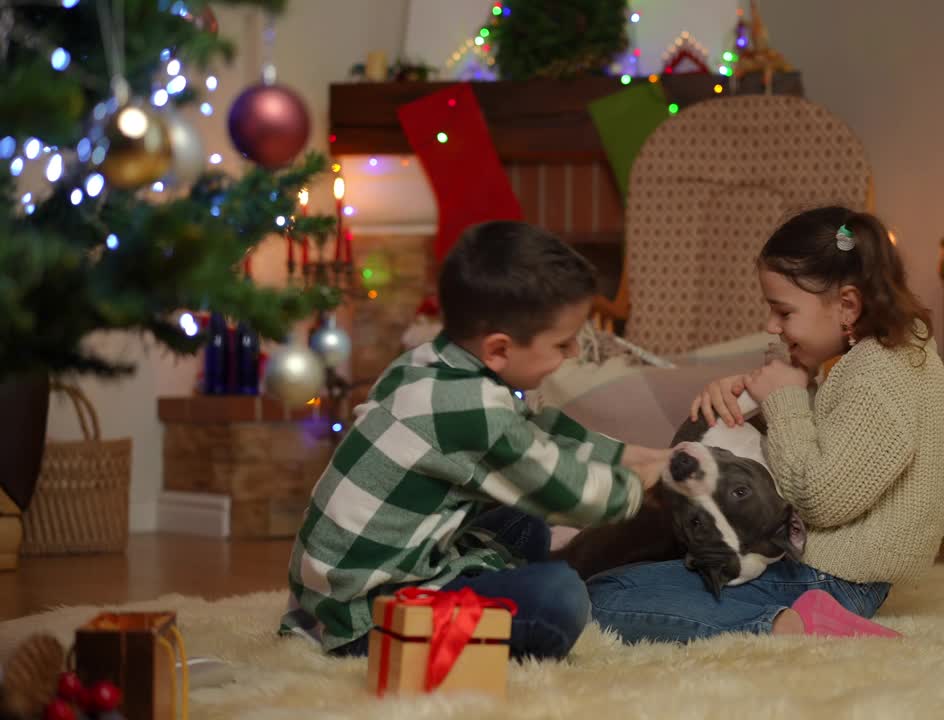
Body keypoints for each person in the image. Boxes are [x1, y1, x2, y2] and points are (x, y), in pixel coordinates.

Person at [279, 221, 671, 660]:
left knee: (525, 522)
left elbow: (535, 428)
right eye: (563, 344)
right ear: (499, 349)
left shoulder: (426, 363)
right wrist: (643, 486)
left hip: (349, 586)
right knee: (560, 595)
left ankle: (490, 586)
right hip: (366, 620)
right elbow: (566, 493)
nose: (575, 354)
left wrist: (626, 454)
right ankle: (492, 616)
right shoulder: (474, 412)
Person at [587, 207, 944, 642]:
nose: (771, 326)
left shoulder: (884, 376)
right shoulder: (875, 362)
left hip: (829, 580)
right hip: (816, 570)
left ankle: (790, 625)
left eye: (783, 312)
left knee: (603, 599)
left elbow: (822, 498)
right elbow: (818, 438)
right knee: (624, 577)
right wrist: (747, 394)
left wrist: (783, 398)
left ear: (847, 306)